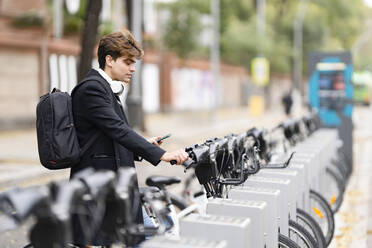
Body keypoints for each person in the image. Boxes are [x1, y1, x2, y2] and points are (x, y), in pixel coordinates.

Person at [70, 30, 189, 247]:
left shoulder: (106, 89)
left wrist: (144, 145)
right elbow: (118, 130)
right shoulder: (92, 89)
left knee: (134, 238)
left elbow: (112, 136)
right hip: (98, 188)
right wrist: (162, 154)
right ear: (109, 60)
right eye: (127, 62)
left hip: (113, 187)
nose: (133, 68)